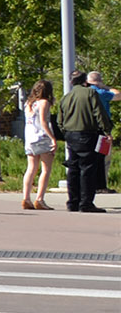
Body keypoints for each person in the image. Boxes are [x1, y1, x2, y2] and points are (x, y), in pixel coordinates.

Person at [56, 71, 107, 213]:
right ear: (85, 81)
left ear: (71, 82)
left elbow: (59, 120)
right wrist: (107, 130)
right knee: (88, 169)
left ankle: (73, 202)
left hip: (71, 135)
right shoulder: (90, 93)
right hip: (87, 134)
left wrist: (65, 132)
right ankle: (86, 203)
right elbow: (99, 113)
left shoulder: (66, 97)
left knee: (73, 168)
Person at [20, 79, 56, 211]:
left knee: (31, 168)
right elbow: (43, 122)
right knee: (45, 169)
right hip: (42, 137)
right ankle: (40, 199)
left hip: (30, 137)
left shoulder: (29, 103)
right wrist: (53, 138)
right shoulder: (44, 102)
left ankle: (26, 197)